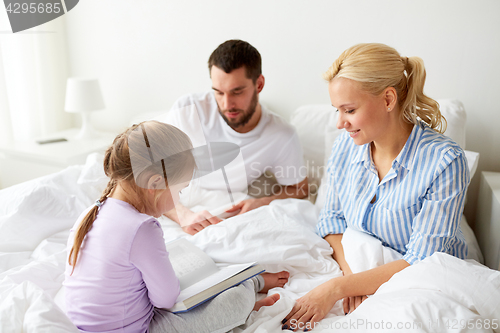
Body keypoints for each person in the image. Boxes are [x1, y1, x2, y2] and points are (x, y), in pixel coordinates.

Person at [281, 43, 470, 331]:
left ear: (388, 99)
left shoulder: (444, 161)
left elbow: (422, 260)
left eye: (349, 110)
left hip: (424, 280)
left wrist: (336, 288)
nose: (339, 123)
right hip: (356, 267)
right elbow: (332, 218)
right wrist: (353, 279)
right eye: (337, 110)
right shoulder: (347, 145)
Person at [63, 121, 289, 333]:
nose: (177, 199)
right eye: (179, 190)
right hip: (134, 329)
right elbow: (166, 300)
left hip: (83, 327)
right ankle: (252, 284)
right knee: (234, 302)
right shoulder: (143, 227)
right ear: (154, 183)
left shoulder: (89, 214)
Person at [162, 40, 308, 234]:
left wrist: (263, 202)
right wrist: (183, 215)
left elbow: (299, 188)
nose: (226, 104)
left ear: (259, 84)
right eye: (219, 92)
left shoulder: (281, 135)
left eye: (237, 92)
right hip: (172, 205)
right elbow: (150, 173)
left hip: (225, 208)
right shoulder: (188, 109)